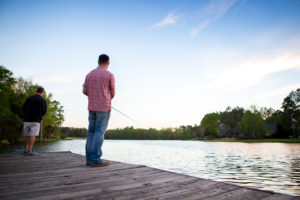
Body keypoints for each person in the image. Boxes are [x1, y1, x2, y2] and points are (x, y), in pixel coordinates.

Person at [83, 54, 115, 167]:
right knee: (99, 132)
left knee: (91, 132)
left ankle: (89, 158)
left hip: (92, 107)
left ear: (98, 62)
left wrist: (93, 96)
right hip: (104, 107)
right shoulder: (109, 75)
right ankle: (95, 159)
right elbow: (113, 92)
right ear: (108, 63)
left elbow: (84, 90)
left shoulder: (89, 74)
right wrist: (105, 99)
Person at [22, 87, 47, 156]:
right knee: (32, 134)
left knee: (27, 135)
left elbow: (23, 108)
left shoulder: (29, 99)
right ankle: (29, 150)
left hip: (26, 119)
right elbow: (44, 111)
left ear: (37, 91)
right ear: (42, 92)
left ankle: (25, 150)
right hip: (35, 120)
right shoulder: (42, 100)